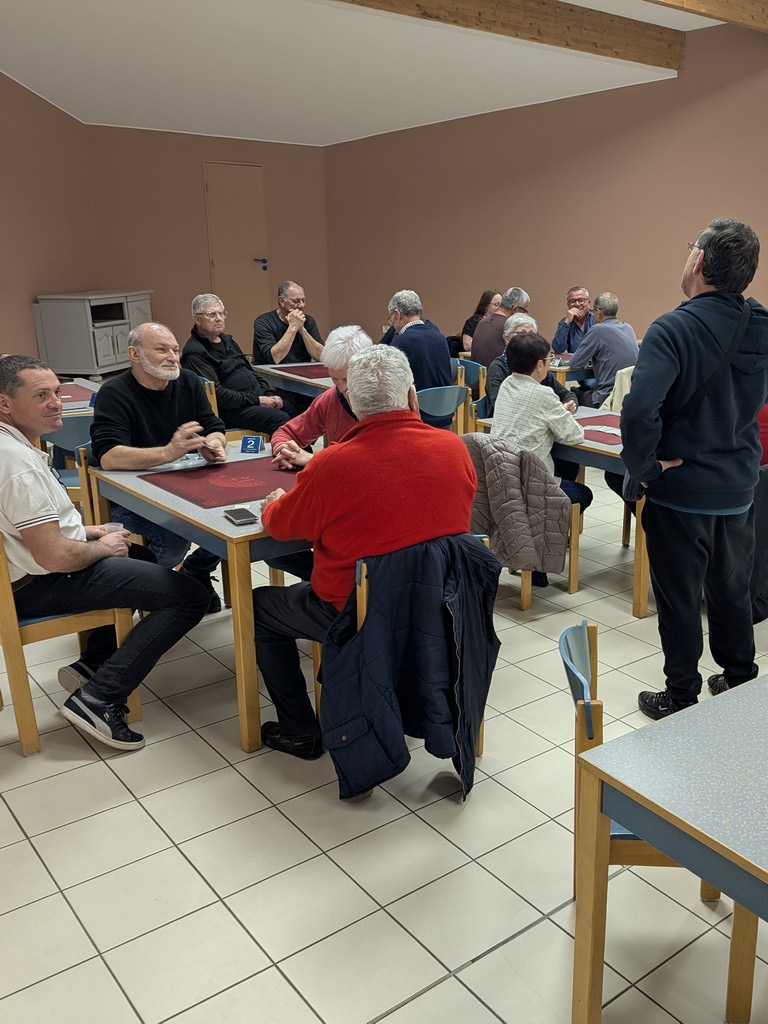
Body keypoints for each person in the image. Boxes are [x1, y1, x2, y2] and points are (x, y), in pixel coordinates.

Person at [253, 345, 477, 758]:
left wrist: (272, 504)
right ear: (411, 396)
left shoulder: (331, 464)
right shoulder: (454, 448)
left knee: (258, 607)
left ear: (353, 404)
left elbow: (283, 526)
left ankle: (300, 730)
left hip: (355, 611)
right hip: (440, 605)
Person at [0, 355, 209, 750]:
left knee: (141, 560)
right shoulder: (16, 462)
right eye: (41, 395)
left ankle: (94, 663)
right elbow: (54, 558)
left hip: (25, 571)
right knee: (189, 598)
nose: (56, 403)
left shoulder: (9, 446)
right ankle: (99, 698)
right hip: (36, 584)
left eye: (57, 393)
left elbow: (26, 529)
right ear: (4, 404)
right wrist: (100, 547)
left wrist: (86, 531)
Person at [621, 218, 768, 720]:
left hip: (680, 489)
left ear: (699, 260)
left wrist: (645, 466)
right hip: (740, 485)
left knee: (680, 599)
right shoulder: (761, 324)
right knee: (732, 588)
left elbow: (638, 411)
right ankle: (739, 676)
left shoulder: (672, 328)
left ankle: (681, 695)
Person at [91, 322, 228, 612]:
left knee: (231, 523)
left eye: (176, 350)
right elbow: (109, 456)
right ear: (135, 354)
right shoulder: (114, 392)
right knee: (173, 542)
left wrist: (214, 444)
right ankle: (149, 590)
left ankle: (194, 572)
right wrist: (168, 452)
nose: (173, 357)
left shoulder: (188, 382)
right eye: (162, 349)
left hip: (185, 484)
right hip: (131, 496)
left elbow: (214, 426)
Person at [492, 332, 593, 584]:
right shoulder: (543, 394)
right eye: (549, 359)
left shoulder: (507, 385)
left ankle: (533, 547)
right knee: (583, 494)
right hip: (531, 486)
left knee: (565, 469)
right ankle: (540, 549)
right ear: (540, 364)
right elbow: (573, 435)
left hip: (501, 481)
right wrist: (561, 413)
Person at [180, 293, 301, 435]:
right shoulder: (195, 352)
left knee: (295, 412)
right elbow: (219, 395)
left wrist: (268, 394)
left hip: (253, 400)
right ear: (197, 319)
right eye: (212, 314)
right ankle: (290, 449)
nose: (219, 318)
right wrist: (258, 400)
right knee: (280, 419)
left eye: (221, 313)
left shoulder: (227, 341)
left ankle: (299, 449)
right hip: (231, 410)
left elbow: (250, 372)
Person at [271, 324, 372, 470]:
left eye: (347, 379)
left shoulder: (387, 402)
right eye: (334, 379)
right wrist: (283, 448)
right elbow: (286, 433)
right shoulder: (331, 397)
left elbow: (375, 460)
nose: (342, 388)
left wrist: (314, 459)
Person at [386, 290, 452, 427]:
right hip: (445, 417)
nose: (392, 323)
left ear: (397, 314)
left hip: (417, 420)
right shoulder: (440, 338)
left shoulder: (400, 343)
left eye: (391, 318)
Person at [569, 292, 639, 407]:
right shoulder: (628, 327)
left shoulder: (597, 330)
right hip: (629, 394)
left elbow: (575, 364)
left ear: (599, 312)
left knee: (568, 398)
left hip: (606, 397)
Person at [252, 280, 324, 366]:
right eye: (296, 301)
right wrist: (293, 327)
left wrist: (302, 329)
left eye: (303, 300)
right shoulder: (263, 322)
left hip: (301, 371)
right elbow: (275, 357)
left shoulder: (309, 321)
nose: (302, 305)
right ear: (282, 301)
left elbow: (321, 356)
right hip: (270, 372)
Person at [470, 286, 530, 368]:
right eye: (524, 311)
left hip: (477, 375)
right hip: (497, 375)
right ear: (515, 309)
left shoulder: (482, 323)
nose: (525, 315)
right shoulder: (511, 328)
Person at [552, 286, 595, 354]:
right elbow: (558, 349)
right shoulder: (564, 323)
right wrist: (567, 322)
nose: (577, 304)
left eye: (581, 300)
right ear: (568, 305)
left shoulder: (597, 320)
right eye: (572, 301)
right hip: (576, 360)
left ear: (589, 303)